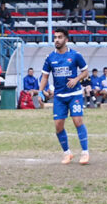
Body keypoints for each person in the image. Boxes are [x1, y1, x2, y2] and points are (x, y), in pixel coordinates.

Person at [37, 27, 89, 165]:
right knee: (58, 126)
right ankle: (67, 153)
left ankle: (85, 152)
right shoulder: (50, 58)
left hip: (74, 94)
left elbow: (85, 72)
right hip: (59, 96)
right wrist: (40, 92)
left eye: (60, 37)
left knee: (77, 121)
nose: (57, 40)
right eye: (55, 37)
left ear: (66, 39)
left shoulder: (76, 55)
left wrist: (76, 79)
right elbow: (45, 77)